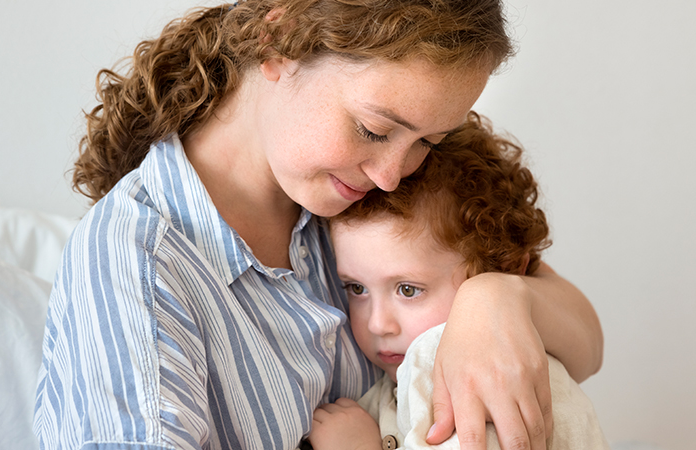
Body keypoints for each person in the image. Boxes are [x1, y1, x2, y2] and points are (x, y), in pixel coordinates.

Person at [32, 0, 604, 449]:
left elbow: (585, 344)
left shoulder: (358, 188)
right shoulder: (140, 264)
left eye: (427, 142)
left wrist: (498, 297)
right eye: (375, 130)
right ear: (277, 42)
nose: (390, 175)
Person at [307, 113, 608, 450]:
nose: (378, 324)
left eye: (408, 290)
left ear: (504, 267)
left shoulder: (484, 381)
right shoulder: (410, 372)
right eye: (357, 288)